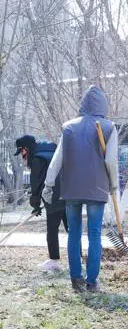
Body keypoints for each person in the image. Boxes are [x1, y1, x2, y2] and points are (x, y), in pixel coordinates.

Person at [43, 85, 119, 292]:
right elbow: (111, 161)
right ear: (103, 104)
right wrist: (113, 185)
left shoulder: (68, 127)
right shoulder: (109, 127)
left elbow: (57, 159)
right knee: (94, 234)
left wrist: (48, 184)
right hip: (97, 188)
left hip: (72, 188)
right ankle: (92, 281)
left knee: (74, 233)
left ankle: (75, 279)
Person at [15, 135, 67, 273]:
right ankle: (79, 260)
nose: (22, 155)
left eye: (21, 152)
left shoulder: (37, 159)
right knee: (72, 228)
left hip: (53, 196)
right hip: (69, 192)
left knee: (52, 229)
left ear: (26, 148)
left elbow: (37, 184)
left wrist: (36, 204)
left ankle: (54, 261)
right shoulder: (52, 148)